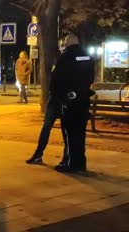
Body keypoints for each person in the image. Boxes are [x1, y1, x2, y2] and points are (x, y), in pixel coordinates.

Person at [52, 34, 95, 173]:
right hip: (83, 100)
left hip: (70, 102)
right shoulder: (88, 56)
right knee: (81, 134)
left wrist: (60, 97)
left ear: (67, 44)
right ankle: (81, 163)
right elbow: (90, 77)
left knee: (70, 134)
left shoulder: (65, 57)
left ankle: (71, 164)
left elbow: (57, 80)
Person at [26, 40, 66, 164]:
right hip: (56, 100)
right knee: (50, 128)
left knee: (59, 129)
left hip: (59, 100)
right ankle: (39, 153)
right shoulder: (61, 60)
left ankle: (63, 156)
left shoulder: (64, 61)